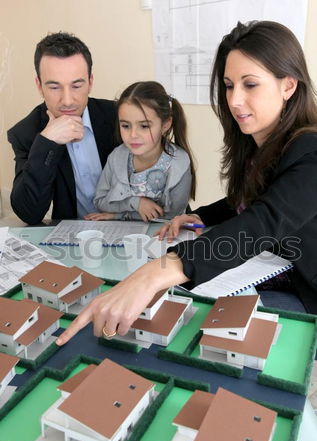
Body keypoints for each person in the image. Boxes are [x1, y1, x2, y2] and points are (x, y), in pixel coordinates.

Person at [56, 20, 317, 346]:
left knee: (200, 325)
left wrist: (154, 272)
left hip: (304, 288)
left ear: (288, 86)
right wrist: (203, 216)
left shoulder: (310, 150)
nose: (234, 100)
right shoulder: (257, 144)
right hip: (267, 269)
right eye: (228, 85)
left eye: (250, 85)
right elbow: (248, 201)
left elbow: (263, 222)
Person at [8, 32, 117, 225]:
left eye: (76, 86)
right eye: (54, 87)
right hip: (74, 240)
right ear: (39, 86)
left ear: (90, 82)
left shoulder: (119, 117)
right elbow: (28, 213)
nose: (67, 101)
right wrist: (47, 142)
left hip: (130, 228)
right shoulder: (26, 133)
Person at [84, 81, 196, 222]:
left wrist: (118, 215)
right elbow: (100, 201)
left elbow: (172, 216)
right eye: (125, 125)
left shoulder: (179, 163)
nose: (133, 135)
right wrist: (136, 203)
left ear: (165, 125)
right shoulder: (117, 157)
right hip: (122, 236)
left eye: (144, 126)